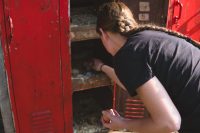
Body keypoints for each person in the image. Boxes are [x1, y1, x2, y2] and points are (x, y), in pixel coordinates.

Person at [92, 1, 200, 133]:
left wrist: (122, 123)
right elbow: (134, 82)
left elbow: (169, 123)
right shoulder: (146, 38)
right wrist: (102, 67)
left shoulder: (127, 54)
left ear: (103, 34)